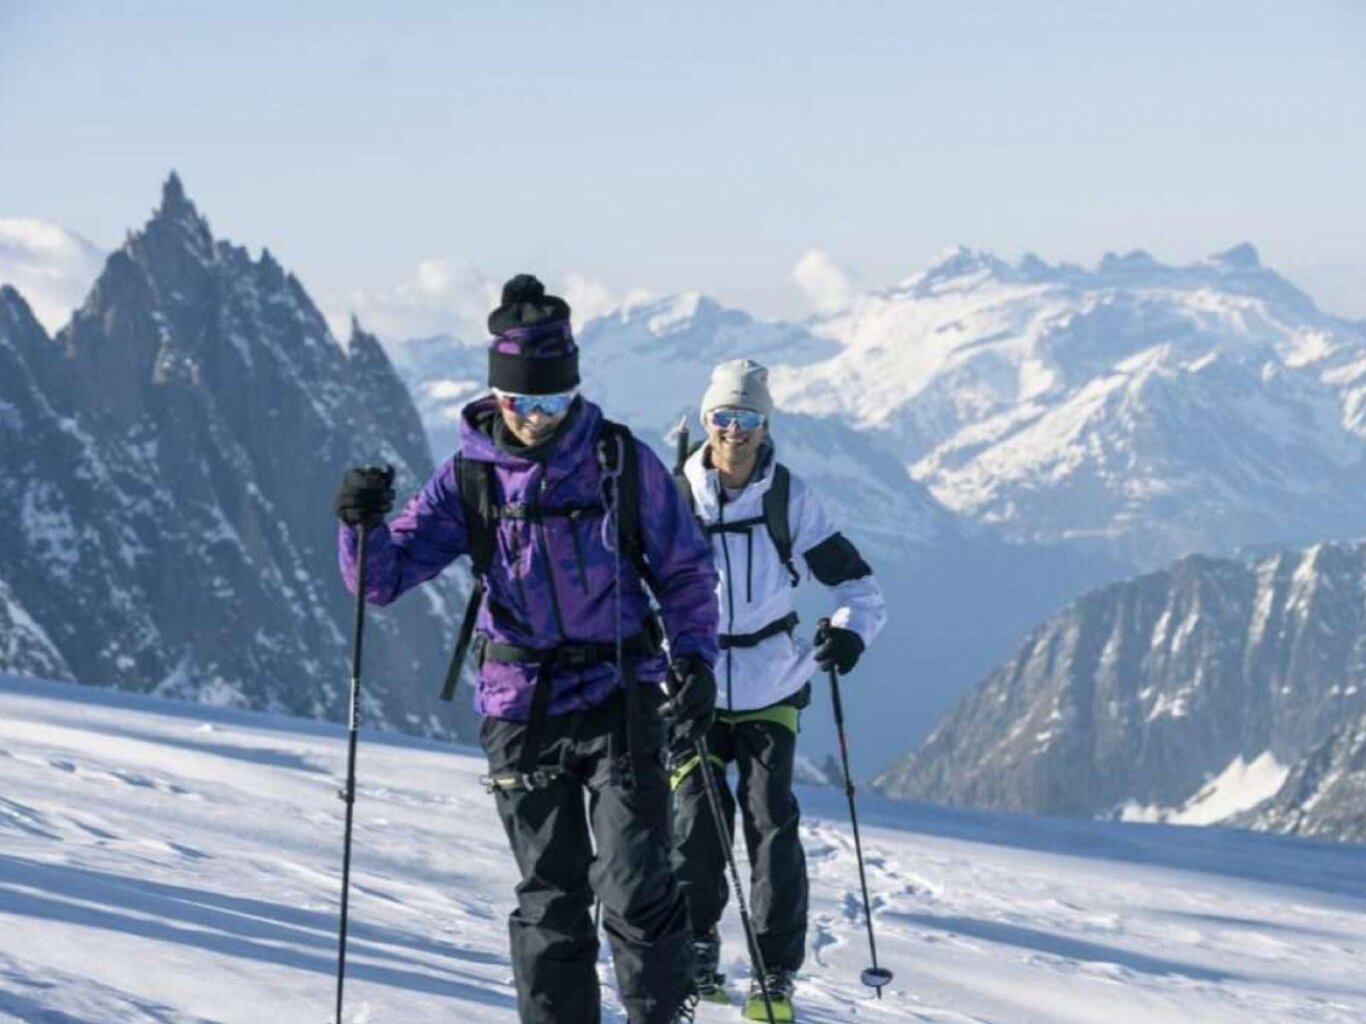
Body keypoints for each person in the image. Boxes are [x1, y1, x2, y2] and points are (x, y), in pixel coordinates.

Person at [334, 275, 719, 1024]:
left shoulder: (619, 462)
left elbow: (683, 570)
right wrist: (358, 524)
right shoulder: (470, 477)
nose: (533, 417)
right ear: (495, 394)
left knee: (637, 883)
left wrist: (696, 659)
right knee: (552, 897)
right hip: (522, 707)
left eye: (548, 402)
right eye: (518, 401)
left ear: (572, 392)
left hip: (622, 693)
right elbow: (382, 581)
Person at [669, 358, 886, 1021]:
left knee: (771, 825)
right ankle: (695, 950)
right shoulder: (672, 498)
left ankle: (774, 974)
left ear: (766, 426)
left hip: (772, 684)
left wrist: (849, 634)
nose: (735, 431)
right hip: (692, 686)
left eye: (748, 419)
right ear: (707, 421)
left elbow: (860, 588)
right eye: (723, 418)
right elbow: (633, 582)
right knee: (696, 828)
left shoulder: (790, 501)